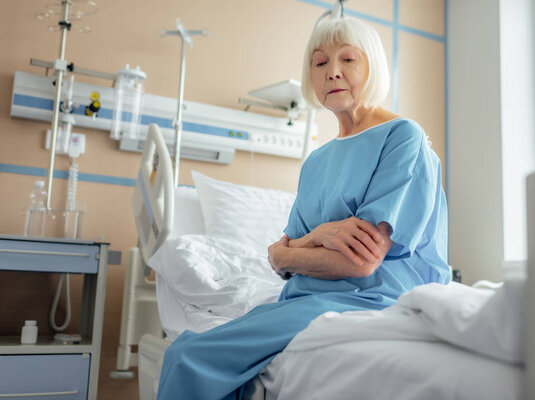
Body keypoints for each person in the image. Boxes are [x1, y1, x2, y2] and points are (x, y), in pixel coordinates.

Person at [157, 16, 449, 400]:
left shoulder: (402, 136)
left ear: (372, 66)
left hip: (371, 297)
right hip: (303, 298)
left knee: (187, 356)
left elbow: (358, 263)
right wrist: (316, 238)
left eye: (348, 60)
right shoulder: (316, 161)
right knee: (192, 354)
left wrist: (292, 252)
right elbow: (280, 255)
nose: (332, 72)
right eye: (320, 62)